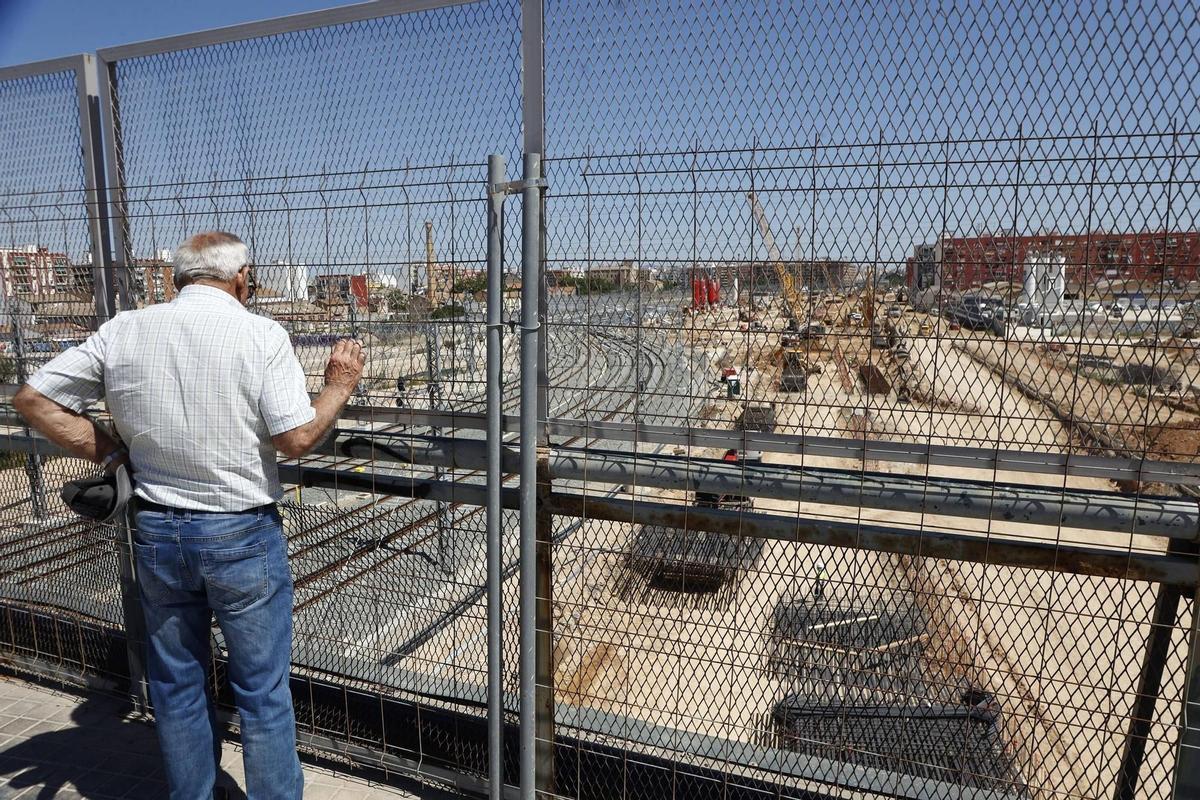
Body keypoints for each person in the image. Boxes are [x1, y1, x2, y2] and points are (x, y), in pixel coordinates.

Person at [13, 231, 365, 800]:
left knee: (176, 685)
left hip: (156, 529)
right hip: (240, 531)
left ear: (178, 278)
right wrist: (338, 385)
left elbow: (32, 399)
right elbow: (297, 437)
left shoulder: (123, 329)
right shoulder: (259, 333)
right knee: (261, 691)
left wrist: (107, 450)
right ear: (242, 277)